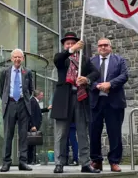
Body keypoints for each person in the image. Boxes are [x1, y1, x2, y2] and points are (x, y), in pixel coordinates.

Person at [51, 32, 100, 174]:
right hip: (63, 99)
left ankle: (85, 163)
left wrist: (86, 79)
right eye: (68, 43)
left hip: (80, 98)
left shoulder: (84, 60)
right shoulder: (61, 58)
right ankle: (59, 163)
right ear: (64, 45)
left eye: (73, 43)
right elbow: (58, 60)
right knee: (61, 134)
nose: (70, 45)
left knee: (83, 133)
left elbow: (96, 73)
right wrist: (70, 51)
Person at [90, 38, 128, 172]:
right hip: (96, 102)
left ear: (110, 47)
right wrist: (98, 86)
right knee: (94, 132)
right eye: (100, 45)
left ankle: (114, 161)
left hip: (114, 102)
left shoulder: (119, 60)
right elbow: (86, 79)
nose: (103, 47)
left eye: (106, 45)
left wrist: (110, 84)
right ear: (97, 48)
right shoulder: (91, 62)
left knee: (115, 133)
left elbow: (124, 76)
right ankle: (96, 160)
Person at [0, 49, 34, 172]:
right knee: (8, 134)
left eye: (20, 57)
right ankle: (6, 162)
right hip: (10, 104)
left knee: (23, 135)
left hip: (23, 104)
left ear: (23, 59)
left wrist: (25, 100)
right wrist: (7, 101)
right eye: (15, 57)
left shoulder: (27, 72)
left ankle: (23, 162)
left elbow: (31, 89)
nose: (17, 59)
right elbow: (1, 89)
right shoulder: (4, 72)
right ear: (11, 58)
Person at [28, 89, 52, 165]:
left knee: (33, 143)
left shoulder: (35, 101)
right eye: (41, 95)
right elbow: (31, 114)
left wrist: (47, 109)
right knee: (30, 144)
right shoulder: (32, 101)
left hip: (35, 125)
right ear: (37, 95)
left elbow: (38, 111)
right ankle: (30, 160)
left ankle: (32, 160)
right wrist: (33, 125)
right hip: (33, 126)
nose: (42, 96)